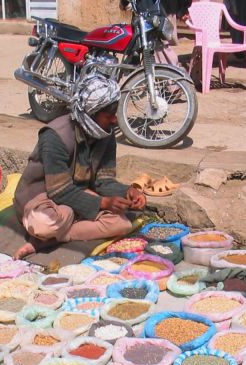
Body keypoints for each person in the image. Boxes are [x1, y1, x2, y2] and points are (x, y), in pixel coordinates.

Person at [13, 75, 146, 259]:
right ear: (91, 113)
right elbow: (59, 191)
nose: (114, 120)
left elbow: (103, 181)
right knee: (45, 223)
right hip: (44, 196)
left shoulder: (105, 133)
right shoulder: (55, 136)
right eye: (108, 116)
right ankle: (60, 225)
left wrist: (128, 191)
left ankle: (54, 238)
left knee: (122, 224)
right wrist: (102, 203)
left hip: (79, 194)